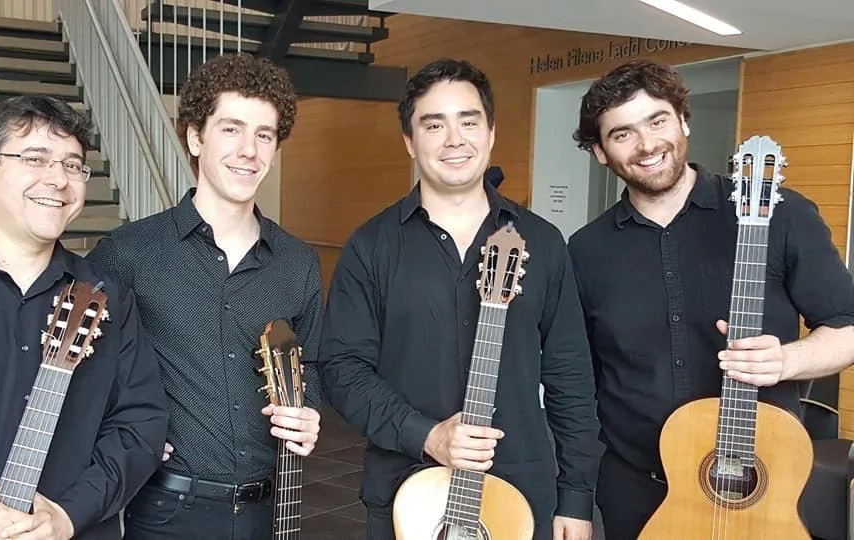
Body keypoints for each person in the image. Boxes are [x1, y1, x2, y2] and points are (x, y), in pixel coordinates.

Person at [568, 58, 854, 540]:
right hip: (635, 489)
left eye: (657, 121)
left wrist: (787, 360)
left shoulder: (779, 215)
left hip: (761, 490)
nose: (647, 145)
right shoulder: (585, 250)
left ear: (683, 121)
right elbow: (578, 382)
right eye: (622, 133)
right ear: (600, 151)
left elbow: (847, 324)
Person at [318, 58, 600, 540]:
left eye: (468, 122)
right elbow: (342, 368)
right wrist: (426, 435)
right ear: (410, 142)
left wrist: (576, 495)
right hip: (406, 494)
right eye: (434, 125)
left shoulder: (544, 242)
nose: (454, 139)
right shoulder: (372, 246)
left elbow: (569, 375)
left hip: (521, 493)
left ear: (490, 133)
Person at [0, 95, 169, 540]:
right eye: (35, 159)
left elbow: (140, 426)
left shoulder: (109, 297)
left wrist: (67, 515)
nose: (58, 179)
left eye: (72, 165)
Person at [85, 52, 324, 540]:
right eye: (231, 129)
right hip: (167, 510)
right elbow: (87, 364)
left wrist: (310, 412)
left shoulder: (299, 262)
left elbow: (313, 364)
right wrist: (122, 431)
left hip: (269, 509)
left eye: (264, 135)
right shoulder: (128, 253)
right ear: (196, 137)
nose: (249, 151)